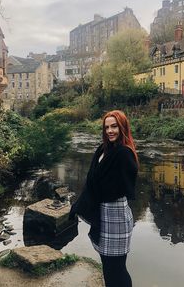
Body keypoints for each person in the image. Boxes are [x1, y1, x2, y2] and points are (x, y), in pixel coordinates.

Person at [69, 110, 139, 287]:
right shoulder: (104, 149)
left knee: (117, 269)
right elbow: (93, 181)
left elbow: (124, 187)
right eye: (107, 127)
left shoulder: (124, 153)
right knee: (108, 267)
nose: (110, 131)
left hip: (116, 215)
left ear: (122, 127)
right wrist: (79, 204)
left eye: (114, 126)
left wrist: (91, 197)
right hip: (104, 214)